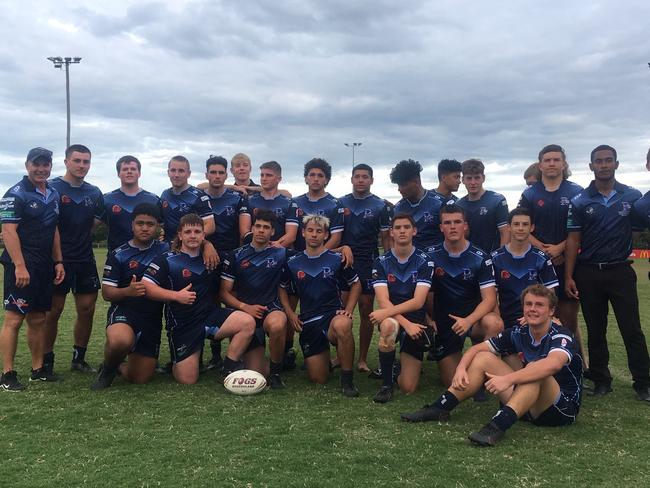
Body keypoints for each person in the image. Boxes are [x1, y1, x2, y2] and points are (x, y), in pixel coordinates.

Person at [401, 285, 583, 447]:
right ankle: (439, 408)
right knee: (483, 357)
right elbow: (476, 350)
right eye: (529, 304)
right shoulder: (519, 331)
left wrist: (507, 379)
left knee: (535, 369)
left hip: (560, 409)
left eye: (539, 305)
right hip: (528, 403)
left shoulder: (561, 335)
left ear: (551, 311)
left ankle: (497, 426)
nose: (532, 309)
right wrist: (461, 369)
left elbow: (552, 365)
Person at [565, 145, 650, 402]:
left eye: (608, 160)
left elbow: (640, 229)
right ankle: (601, 379)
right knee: (596, 328)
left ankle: (643, 382)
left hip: (621, 271)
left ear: (616, 164)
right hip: (589, 272)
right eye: (598, 161)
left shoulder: (633, 196)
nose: (603, 165)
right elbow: (572, 239)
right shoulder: (580, 200)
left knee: (631, 328)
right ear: (591, 166)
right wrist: (569, 275)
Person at [142, 214, 255, 384]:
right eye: (188, 232)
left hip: (209, 317)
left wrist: (209, 246)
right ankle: (182, 359)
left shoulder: (214, 258)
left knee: (247, 322)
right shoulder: (167, 260)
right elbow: (147, 287)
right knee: (187, 379)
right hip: (183, 325)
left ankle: (227, 368)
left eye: (197, 231)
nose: (193, 235)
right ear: (180, 235)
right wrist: (176, 296)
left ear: (203, 235)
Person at [0, 147, 65, 390]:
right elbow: (8, 231)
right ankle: (7, 374)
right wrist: (19, 265)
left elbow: (54, 229)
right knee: (14, 319)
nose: (41, 169)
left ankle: (38, 369)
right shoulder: (15, 194)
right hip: (22, 265)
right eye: (36, 164)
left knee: (38, 318)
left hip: (44, 265)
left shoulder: (53, 193)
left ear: (50, 167)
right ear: (27, 165)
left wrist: (58, 261)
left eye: (45, 164)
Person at [278, 214, 361, 396]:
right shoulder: (293, 262)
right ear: (303, 233)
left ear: (325, 235)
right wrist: (290, 313)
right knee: (318, 378)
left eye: (319, 231)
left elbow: (356, 283)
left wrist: (348, 310)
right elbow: (282, 288)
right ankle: (329, 363)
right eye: (310, 230)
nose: (314, 234)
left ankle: (347, 380)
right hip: (308, 322)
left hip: (332, 316)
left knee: (343, 324)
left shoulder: (337, 258)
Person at [91, 203, 169, 389]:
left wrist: (207, 246)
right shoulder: (119, 254)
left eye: (150, 224)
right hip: (125, 311)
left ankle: (119, 365)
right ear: (132, 225)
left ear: (157, 226)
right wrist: (128, 291)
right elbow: (107, 294)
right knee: (120, 340)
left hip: (152, 318)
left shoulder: (166, 249)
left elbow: (192, 242)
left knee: (140, 378)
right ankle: (108, 368)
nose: (144, 228)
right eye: (140, 223)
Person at [424, 204, 503, 387]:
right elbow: (423, 294)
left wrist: (468, 320)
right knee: (452, 383)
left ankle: (483, 372)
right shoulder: (429, 256)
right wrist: (429, 319)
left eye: (457, 222)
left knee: (495, 323)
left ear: (465, 226)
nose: (453, 226)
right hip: (446, 323)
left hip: (474, 320)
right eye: (447, 222)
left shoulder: (481, 257)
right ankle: (451, 355)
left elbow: (490, 299)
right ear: (441, 227)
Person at [518, 144, 585, 358]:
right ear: (541, 165)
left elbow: (583, 229)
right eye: (547, 160)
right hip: (538, 263)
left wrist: (559, 248)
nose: (552, 164)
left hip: (569, 264)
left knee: (567, 319)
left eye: (556, 160)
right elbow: (521, 226)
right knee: (536, 314)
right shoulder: (530, 193)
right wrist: (545, 250)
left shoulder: (576, 192)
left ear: (564, 164)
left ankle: (573, 364)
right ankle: (537, 362)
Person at [45, 144, 105, 376]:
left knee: (87, 309)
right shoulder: (52, 188)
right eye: (77, 161)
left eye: (86, 161)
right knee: (54, 310)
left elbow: (94, 225)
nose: (81, 166)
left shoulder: (94, 193)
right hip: (57, 260)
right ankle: (46, 358)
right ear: (66, 162)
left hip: (85, 259)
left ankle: (78, 358)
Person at [368, 214, 434, 402]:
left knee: (408, 387)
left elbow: (418, 302)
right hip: (397, 320)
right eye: (397, 228)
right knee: (388, 326)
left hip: (416, 322)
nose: (402, 231)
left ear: (414, 231)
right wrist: (406, 324)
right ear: (391, 233)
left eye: (406, 227)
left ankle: (396, 367)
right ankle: (386, 385)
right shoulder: (381, 262)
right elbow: (383, 301)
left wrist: (409, 323)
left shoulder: (424, 261)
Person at [220, 210, 289, 389]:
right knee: (257, 373)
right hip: (245, 314)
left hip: (269, 309)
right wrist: (245, 307)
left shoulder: (281, 254)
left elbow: (312, 254)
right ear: (252, 228)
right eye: (258, 226)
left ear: (273, 232)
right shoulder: (235, 255)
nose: (261, 230)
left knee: (278, 323)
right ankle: (248, 359)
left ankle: (275, 373)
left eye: (266, 228)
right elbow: (224, 293)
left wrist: (343, 248)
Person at [339, 163, 392, 373]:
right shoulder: (340, 203)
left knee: (366, 309)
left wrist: (388, 263)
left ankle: (361, 359)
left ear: (371, 180)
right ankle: (341, 355)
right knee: (342, 309)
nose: (360, 180)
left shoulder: (381, 205)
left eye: (365, 177)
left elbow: (387, 238)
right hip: (344, 261)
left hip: (369, 262)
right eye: (357, 176)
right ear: (352, 179)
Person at [491, 208, 559, 328]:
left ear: (531, 228)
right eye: (516, 224)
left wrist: (533, 316)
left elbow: (550, 295)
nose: (521, 228)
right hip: (504, 319)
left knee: (558, 325)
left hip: (534, 318)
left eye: (525, 224)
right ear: (509, 227)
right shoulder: (495, 258)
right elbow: (491, 296)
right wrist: (498, 321)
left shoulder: (541, 258)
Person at [103, 155, 161, 252]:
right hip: (116, 258)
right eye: (125, 169)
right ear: (118, 174)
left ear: (139, 173)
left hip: (148, 257)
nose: (129, 171)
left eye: (133, 169)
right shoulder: (107, 199)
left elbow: (163, 227)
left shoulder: (153, 199)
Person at [457, 159, 509, 254]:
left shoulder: (497, 200)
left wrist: (501, 259)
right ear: (463, 180)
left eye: (477, 178)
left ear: (483, 178)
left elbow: (505, 233)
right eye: (469, 178)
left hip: (492, 257)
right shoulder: (458, 205)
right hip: (468, 259)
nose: (473, 182)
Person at [160, 155, 215, 243]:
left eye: (181, 171)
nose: (176, 175)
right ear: (168, 172)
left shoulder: (199, 197)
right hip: (167, 249)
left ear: (189, 174)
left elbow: (210, 226)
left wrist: (187, 239)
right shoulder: (165, 194)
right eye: (173, 170)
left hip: (190, 248)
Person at [391, 159, 444, 249]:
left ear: (416, 181)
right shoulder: (398, 208)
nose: (399, 189)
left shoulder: (439, 204)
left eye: (403, 185)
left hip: (436, 260)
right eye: (398, 185)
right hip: (410, 261)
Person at [203, 155, 251, 255]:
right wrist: (206, 244)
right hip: (203, 253)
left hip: (231, 255)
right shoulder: (199, 199)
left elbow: (244, 232)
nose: (217, 176)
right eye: (213, 172)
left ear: (226, 175)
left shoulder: (238, 198)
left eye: (221, 173)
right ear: (206, 175)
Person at [244, 160, 298, 248]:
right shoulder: (250, 201)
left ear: (279, 179)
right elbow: (245, 231)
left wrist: (272, 248)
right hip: (255, 251)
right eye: (262, 175)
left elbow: (291, 236)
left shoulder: (289, 203)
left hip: (278, 252)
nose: (264, 178)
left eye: (269, 175)